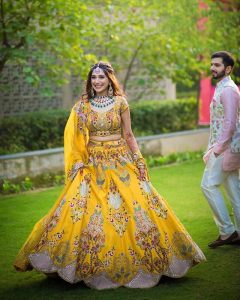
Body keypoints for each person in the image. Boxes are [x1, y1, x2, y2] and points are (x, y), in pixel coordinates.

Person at [14, 61, 205, 289]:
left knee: (139, 207)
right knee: (84, 211)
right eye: (93, 77)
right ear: (89, 80)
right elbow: (74, 138)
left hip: (121, 161)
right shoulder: (81, 107)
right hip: (93, 164)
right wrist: (78, 162)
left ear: (109, 79)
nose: (97, 81)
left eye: (101, 78)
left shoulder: (120, 103)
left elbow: (129, 135)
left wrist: (140, 161)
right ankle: (76, 265)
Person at [201, 51, 240, 249]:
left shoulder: (229, 90)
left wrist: (216, 149)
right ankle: (237, 233)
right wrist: (211, 147)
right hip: (224, 146)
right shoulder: (222, 88)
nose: (212, 68)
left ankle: (227, 231)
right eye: (212, 64)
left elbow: (230, 123)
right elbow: (218, 122)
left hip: (226, 147)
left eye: (216, 65)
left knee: (207, 185)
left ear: (228, 68)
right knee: (234, 189)